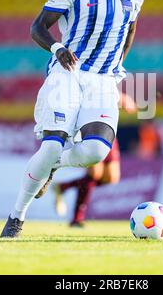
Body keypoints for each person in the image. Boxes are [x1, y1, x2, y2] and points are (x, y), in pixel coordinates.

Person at [0, 0, 145, 238]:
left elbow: (129, 30)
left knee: (96, 152)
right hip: (69, 74)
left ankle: (54, 166)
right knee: (51, 145)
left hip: (104, 80)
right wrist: (57, 48)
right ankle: (16, 217)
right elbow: (38, 26)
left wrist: (118, 64)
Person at [39, 92, 137, 227]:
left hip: (107, 128)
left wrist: (123, 99)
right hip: (89, 128)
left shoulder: (103, 78)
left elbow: (106, 87)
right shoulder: (82, 79)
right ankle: (77, 218)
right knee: (94, 174)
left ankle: (62, 187)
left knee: (112, 177)